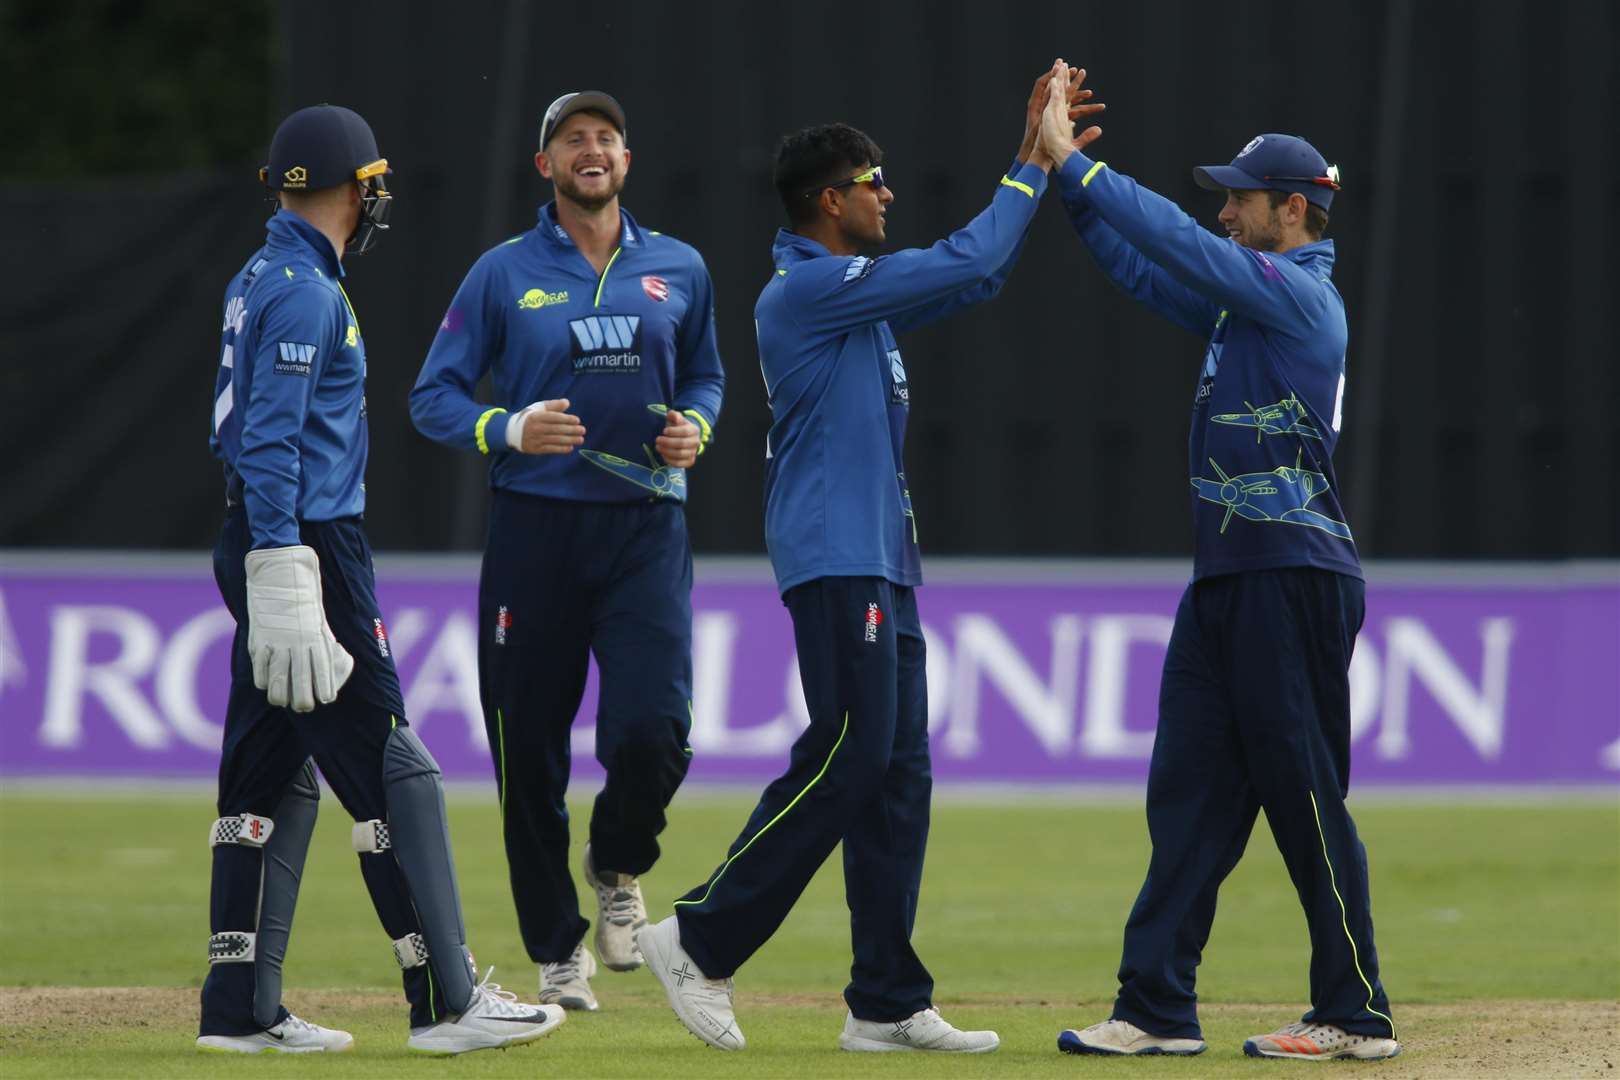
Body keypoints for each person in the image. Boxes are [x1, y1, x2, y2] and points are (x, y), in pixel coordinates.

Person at [635, 65, 1103, 1054]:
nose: (887, 193)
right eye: (872, 180)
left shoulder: (854, 300)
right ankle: (701, 938)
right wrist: (1033, 166)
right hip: (836, 555)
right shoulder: (808, 289)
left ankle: (886, 1001)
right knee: (852, 754)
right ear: (826, 202)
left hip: (883, 559)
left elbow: (962, 275)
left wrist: (1034, 147)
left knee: (898, 773)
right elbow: (973, 266)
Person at [1031, 63, 1400, 1061]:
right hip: (1230, 581)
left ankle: (1355, 1012)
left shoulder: (1297, 297)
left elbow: (1179, 242)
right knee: (1188, 798)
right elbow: (1146, 266)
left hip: (1295, 575)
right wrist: (1063, 179)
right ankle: (1154, 1006)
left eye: (1241, 197)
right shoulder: (1249, 304)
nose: (1227, 211)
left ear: (1293, 208)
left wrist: (1080, 165)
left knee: (1306, 795)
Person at [200, 103, 566, 1056]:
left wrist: (264, 548)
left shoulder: (264, 274)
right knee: (390, 762)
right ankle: (447, 1000)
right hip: (305, 544)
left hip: (268, 532)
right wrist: (285, 569)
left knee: (267, 775)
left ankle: (237, 1008)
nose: (379, 198)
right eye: (372, 182)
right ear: (347, 185)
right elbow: (273, 437)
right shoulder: (306, 292)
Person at [410, 90, 725, 1013]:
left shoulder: (680, 267)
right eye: (572, 139)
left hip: (644, 528)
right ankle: (556, 950)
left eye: (607, 138)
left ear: (627, 162)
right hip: (535, 533)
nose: (593, 149)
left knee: (654, 732)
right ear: (544, 165)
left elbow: (705, 374)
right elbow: (435, 396)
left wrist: (695, 426)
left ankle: (619, 863)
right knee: (529, 753)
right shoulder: (503, 273)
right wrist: (508, 427)